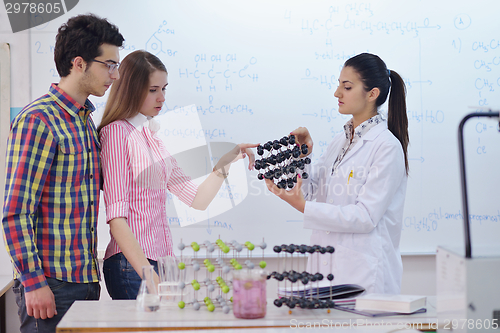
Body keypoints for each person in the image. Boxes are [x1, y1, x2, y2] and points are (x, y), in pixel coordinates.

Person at [97, 50, 257, 300]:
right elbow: (117, 221)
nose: (161, 97)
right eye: (153, 90)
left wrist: (225, 163)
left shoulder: (153, 139)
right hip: (132, 265)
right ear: (130, 89)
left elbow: (197, 200)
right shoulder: (117, 133)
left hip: (157, 263)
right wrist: (152, 279)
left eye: (164, 89)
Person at [1, 14, 124, 332]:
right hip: (50, 284)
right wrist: (33, 282)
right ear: (79, 63)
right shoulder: (38, 120)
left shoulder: (84, 121)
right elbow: (15, 212)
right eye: (109, 64)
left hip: (86, 279)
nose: (116, 74)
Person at [266, 53, 409, 294]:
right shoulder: (341, 140)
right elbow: (312, 193)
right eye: (338, 85)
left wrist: (303, 207)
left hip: (363, 276)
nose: (337, 93)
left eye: (347, 87)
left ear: (372, 94)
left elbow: (365, 217)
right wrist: (302, 155)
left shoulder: (386, 146)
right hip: (327, 269)